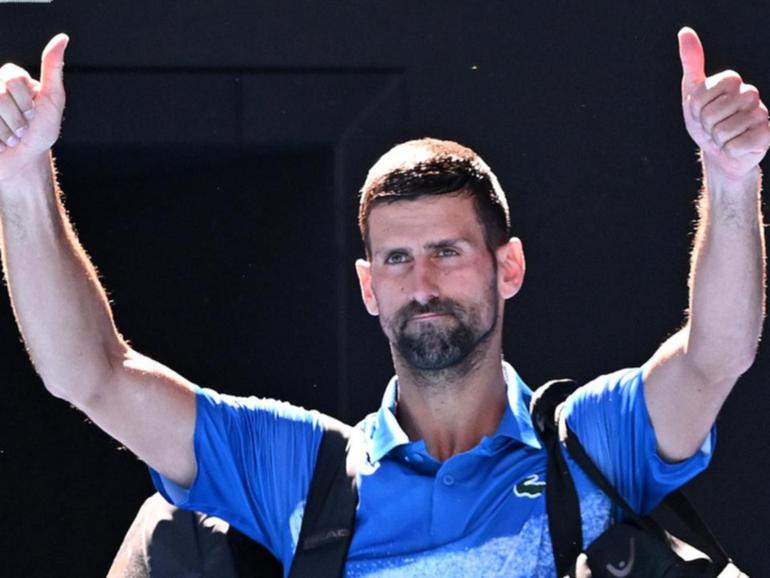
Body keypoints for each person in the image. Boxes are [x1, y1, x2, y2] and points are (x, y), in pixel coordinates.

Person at [0, 26, 767, 577]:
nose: (423, 284)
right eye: (397, 259)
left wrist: (732, 182)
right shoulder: (300, 472)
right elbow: (90, 374)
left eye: (448, 251)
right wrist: (22, 177)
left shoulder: (591, 450)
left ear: (509, 267)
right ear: (369, 287)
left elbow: (715, 357)